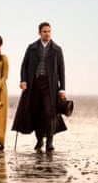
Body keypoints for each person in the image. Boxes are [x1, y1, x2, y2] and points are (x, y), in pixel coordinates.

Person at [12, 22, 67, 151]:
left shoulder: (57, 49)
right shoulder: (32, 48)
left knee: (49, 113)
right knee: (36, 112)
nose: (47, 33)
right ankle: (39, 140)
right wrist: (23, 80)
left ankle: (50, 141)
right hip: (34, 84)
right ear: (39, 33)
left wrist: (62, 89)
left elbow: (61, 71)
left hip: (50, 86)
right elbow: (24, 66)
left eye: (49, 31)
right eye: (44, 31)